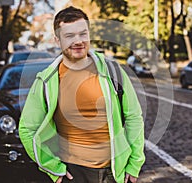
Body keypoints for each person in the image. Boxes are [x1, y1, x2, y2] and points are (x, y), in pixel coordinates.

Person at [19, 6, 145, 183]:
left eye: (83, 34)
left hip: (114, 173)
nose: (78, 41)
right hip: (73, 174)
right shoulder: (46, 81)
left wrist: (134, 164)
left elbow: (133, 117)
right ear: (58, 40)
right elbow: (27, 129)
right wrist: (53, 169)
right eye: (69, 36)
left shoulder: (113, 71)